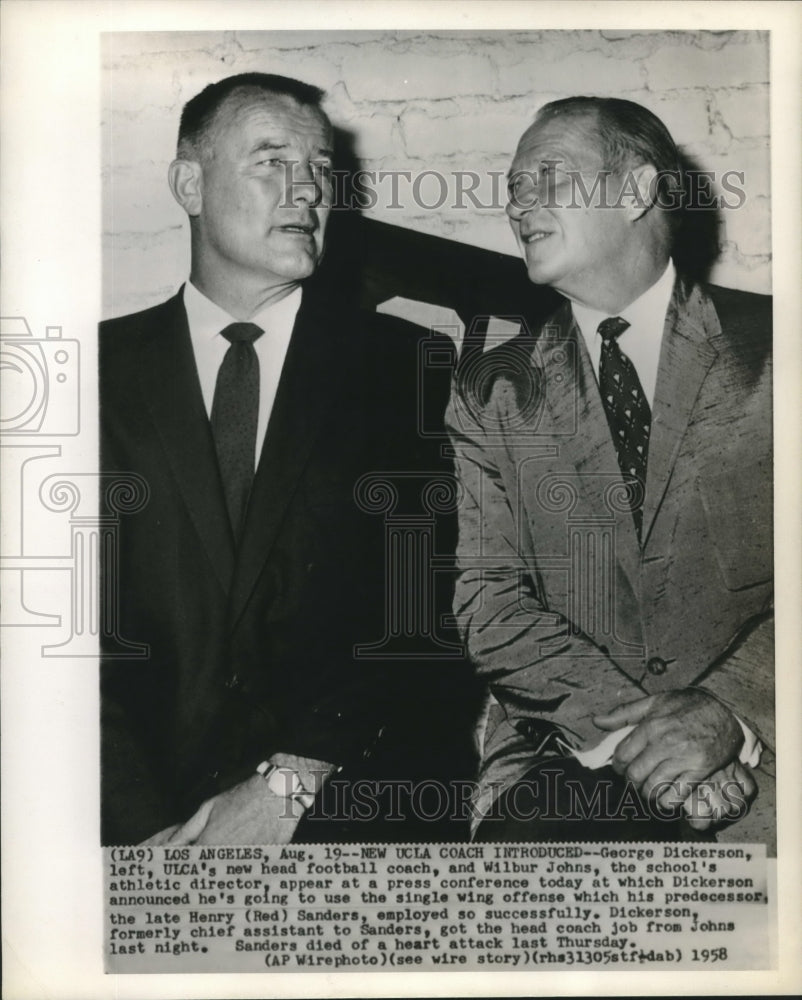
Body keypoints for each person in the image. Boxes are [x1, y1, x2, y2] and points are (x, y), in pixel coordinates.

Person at [100, 72, 475, 845]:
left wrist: (292, 783)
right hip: (136, 818)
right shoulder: (96, 372)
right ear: (189, 184)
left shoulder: (409, 367)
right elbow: (61, 638)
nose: (306, 190)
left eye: (319, 168)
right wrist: (144, 837)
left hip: (347, 798)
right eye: (271, 161)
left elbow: (426, 617)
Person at [447, 97, 774, 847]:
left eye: (545, 179)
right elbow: (489, 604)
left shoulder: (779, 351)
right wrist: (649, 747)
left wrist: (728, 714)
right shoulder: (491, 388)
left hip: (766, 758)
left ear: (633, 192)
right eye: (512, 189)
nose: (517, 204)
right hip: (565, 756)